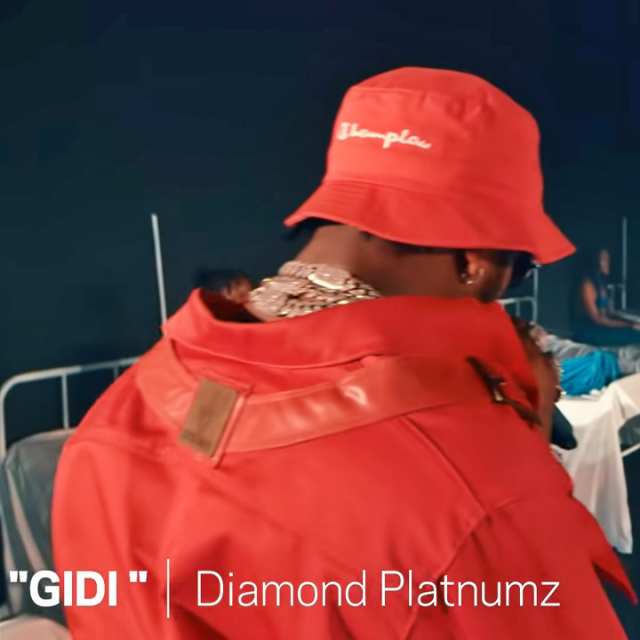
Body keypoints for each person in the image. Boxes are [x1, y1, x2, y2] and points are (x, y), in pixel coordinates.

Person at [52, 68, 634, 639]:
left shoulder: (114, 420)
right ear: (475, 260)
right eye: (520, 267)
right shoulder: (476, 499)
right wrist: (519, 443)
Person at [571, 247, 640, 346]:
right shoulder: (587, 285)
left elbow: (611, 313)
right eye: (604, 259)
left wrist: (633, 321)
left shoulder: (603, 284)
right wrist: (629, 325)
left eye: (608, 259)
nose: (607, 263)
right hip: (590, 331)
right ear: (595, 262)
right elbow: (596, 319)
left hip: (604, 326)